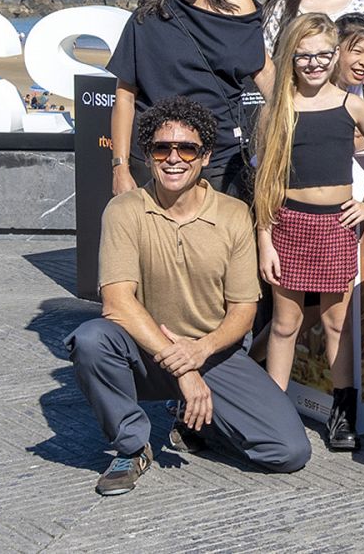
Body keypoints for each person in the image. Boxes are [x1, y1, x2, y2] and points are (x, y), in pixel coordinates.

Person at [66, 97, 310, 495]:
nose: (173, 158)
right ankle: (131, 447)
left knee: (289, 452)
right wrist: (184, 369)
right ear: (148, 154)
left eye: (187, 149)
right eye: (162, 148)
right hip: (142, 352)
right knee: (91, 340)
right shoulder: (124, 210)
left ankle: (196, 419)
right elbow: (117, 304)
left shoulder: (232, 214)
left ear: (205, 156)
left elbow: (244, 311)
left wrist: (200, 353)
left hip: (213, 353)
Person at [254, 13, 364, 451]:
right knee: (285, 324)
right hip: (288, 225)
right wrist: (264, 240)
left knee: (338, 322)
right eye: (304, 55)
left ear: (334, 55)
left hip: (336, 226)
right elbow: (265, 180)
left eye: (322, 54)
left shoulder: (351, 105)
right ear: (291, 56)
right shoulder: (276, 109)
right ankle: (274, 414)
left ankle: (343, 413)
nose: (314, 63)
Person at [110, 0, 273, 200]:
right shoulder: (147, 17)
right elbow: (125, 96)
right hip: (161, 159)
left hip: (223, 158)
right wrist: (120, 168)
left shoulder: (238, 3)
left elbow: (265, 75)